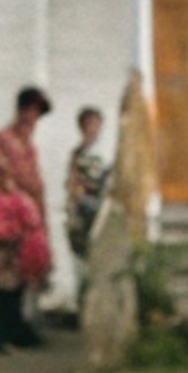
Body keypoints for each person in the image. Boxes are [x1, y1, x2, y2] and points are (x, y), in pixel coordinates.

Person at [0, 86, 53, 350]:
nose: (33, 119)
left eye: (37, 113)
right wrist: (23, 196)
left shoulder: (30, 147)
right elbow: (1, 175)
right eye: (30, 111)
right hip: (7, 216)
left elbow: (37, 184)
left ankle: (13, 327)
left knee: (18, 277)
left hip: (27, 221)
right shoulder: (1, 139)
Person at [64, 105, 110, 261]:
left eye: (97, 124)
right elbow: (73, 183)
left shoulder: (104, 154)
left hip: (101, 206)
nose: (95, 129)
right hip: (85, 209)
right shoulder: (78, 154)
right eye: (91, 124)